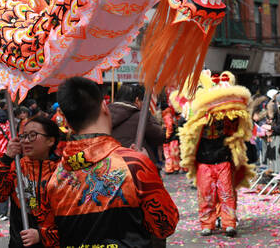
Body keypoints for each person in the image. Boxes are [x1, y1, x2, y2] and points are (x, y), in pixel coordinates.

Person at [39, 77, 179, 247]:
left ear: (66, 122)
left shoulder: (53, 178)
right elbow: (165, 225)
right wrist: (149, 174)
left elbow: (51, 239)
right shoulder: (134, 165)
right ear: (105, 107)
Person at [179, 71, 253, 237]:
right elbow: (183, 126)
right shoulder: (195, 117)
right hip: (204, 161)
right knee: (206, 195)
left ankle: (229, 223)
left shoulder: (229, 115)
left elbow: (241, 117)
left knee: (226, 194)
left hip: (223, 160)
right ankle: (207, 224)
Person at [0, 114, 61, 248]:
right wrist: (6, 159)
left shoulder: (62, 172)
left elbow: (72, 221)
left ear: (50, 140)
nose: (26, 141)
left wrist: (42, 235)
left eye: (32, 135)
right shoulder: (16, 168)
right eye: (23, 136)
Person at [108, 84, 164, 165]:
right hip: (135, 165)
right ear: (137, 100)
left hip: (110, 164)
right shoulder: (141, 117)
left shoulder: (105, 114)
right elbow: (159, 136)